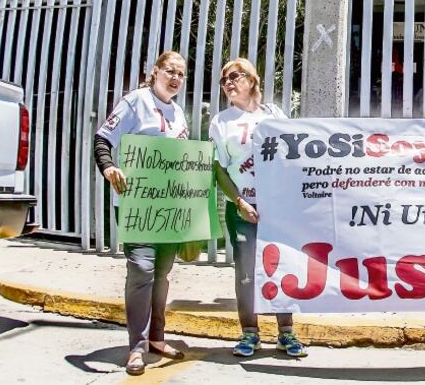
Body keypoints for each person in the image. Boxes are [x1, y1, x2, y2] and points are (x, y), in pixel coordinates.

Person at [94, 51, 190, 375]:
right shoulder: (135, 101)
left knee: (161, 274)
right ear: (155, 71)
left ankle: (157, 339)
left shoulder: (179, 113)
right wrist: (108, 168)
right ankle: (136, 346)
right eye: (170, 71)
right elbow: (103, 138)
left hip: (170, 207)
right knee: (141, 271)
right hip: (137, 205)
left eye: (181, 74)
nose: (175, 78)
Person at [209, 58, 307, 358]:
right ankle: (249, 333)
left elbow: (292, 155)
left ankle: (286, 333)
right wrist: (239, 202)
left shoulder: (274, 114)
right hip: (241, 208)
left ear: (251, 80)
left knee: (281, 268)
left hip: (276, 207)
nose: (227, 83)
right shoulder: (221, 122)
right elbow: (218, 170)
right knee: (247, 274)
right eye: (223, 80)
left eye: (233, 76)